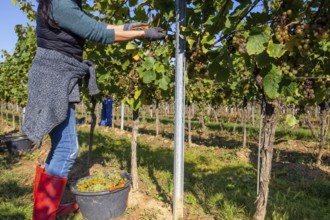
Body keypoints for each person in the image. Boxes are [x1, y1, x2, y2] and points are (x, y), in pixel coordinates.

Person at [22, 0, 165, 219]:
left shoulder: (59, 3)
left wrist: (130, 27)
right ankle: (43, 214)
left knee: (59, 148)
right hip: (54, 81)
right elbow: (97, 32)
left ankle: (45, 208)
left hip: (57, 79)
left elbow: (96, 25)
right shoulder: (61, 3)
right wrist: (142, 35)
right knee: (67, 150)